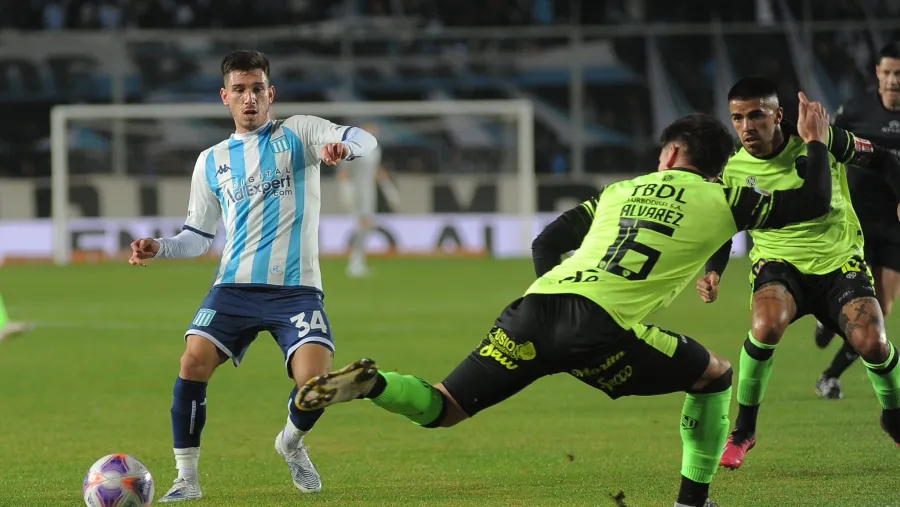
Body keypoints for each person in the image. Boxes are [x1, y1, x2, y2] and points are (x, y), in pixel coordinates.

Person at [293, 105, 833, 507]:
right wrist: (814, 143)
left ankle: (374, 384)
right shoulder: (726, 198)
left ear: (669, 154)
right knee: (715, 376)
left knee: (442, 407)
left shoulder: (621, 191)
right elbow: (812, 202)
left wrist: (558, 307)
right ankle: (692, 502)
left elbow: (545, 242)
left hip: (535, 307)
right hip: (597, 327)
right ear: (717, 165)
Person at [127, 50, 377, 502]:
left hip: (297, 290)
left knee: (314, 386)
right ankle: (187, 479)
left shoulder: (300, 132)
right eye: (239, 90)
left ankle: (291, 443)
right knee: (192, 361)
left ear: (270, 93)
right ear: (225, 97)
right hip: (233, 288)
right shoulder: (211, 161)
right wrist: (159, 247)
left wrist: (346, 147)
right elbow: (198, 237)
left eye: (257, 88)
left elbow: (364, 139)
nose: (249, 98)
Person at [704, 77, 900, 471]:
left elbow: (886, 160)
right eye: (737, 118)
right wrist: (713, 271)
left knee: (873, 342)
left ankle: (893, 417)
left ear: (777, 115)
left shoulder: (822, 141)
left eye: (755, 115)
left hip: (840, 262)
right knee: (766, 324)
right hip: (779, 265)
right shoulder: (731, 168)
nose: (745, 127)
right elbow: (726, 224)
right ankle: (743, 430)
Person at [812, 41, 900, 400]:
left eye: (899, 74)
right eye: (888, 72)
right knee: (852, 300)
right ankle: (826, 318)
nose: (893, 80)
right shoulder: (857, 108)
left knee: (882, 308)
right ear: (878, 73)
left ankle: (829, 377)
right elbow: (828, 144)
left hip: (894, 225)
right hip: (856, 219)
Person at [337, 122, 400, 277]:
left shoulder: (375, 149)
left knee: (367, 225)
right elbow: (344, 171)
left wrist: (387, 188)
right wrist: (346, 189)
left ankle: (358, 261)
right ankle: (355, 263)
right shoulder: (354, 147)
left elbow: (376, 170)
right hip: (357, 189)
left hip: (369, 190)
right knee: (363, 224)